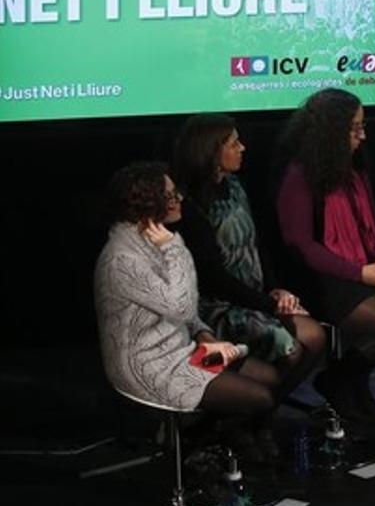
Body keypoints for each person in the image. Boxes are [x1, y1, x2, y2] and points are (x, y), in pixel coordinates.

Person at [94, 162, 283, 458]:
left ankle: (200, 434)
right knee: (259, 397)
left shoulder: (156, 240)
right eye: (170, 196)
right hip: (150, 366)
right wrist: (175, 250)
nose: (179, 199)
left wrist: (203, 331)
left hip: (182, 351)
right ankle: (198, 442)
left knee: (270, 377)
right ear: (149, 204)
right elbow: (179, 307)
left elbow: (183, 307)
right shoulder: (124, 259)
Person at [276, 88, 375, 424]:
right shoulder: (300, 176)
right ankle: (338, 378)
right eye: (355, 128)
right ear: (332, 132)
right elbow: (302, 247)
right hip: (325, 277)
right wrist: (360, 273)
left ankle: (350, 375)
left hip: (365, 264)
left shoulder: (354, 165)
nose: (362, 135)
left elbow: (373, 217)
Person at [170, 113, 326, 459]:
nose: (243, 148)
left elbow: (257, 246)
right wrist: (266, 304)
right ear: (211, 151)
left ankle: (253, 420)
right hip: (218, 306)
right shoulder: (190, 206)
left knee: (314, 336)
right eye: (233, 143)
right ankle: (246, 419)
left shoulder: (236, 187)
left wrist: (276, 290)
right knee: (290, 348)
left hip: (255, 296)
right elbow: (214, 278)